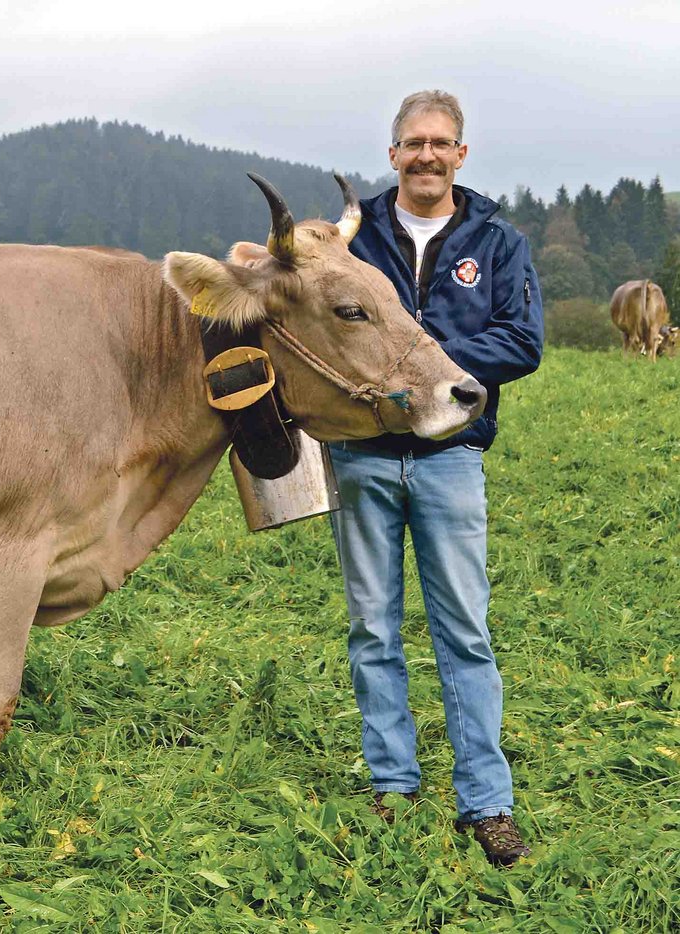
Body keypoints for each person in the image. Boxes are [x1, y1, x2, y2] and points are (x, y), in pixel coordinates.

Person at [328, 89, 543, 867]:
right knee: (372, 627)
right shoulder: (354, 240)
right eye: (412, 142)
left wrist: (426, 371)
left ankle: (485, 801)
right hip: (362, 455)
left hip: (452, 457)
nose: (426, 154)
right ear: (392, 156)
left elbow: (522, 341)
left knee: (464, 631)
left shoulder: (498, 241)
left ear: (461, 154)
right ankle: (394, 785)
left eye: (439, 142)